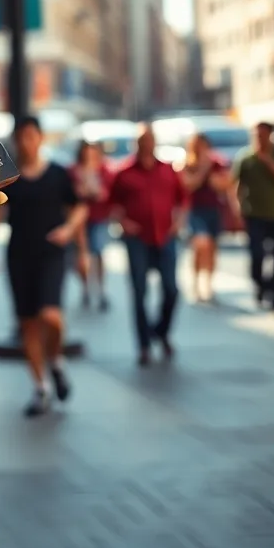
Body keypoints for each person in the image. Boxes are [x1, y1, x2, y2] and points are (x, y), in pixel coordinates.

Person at [0, 116, 86, 417]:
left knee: (51, 316)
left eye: (32, 136)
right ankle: (40, 387)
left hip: (52, 253)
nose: (27, 142)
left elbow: (79, 207)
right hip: (19, 254)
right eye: (22, 137)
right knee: (28, 322)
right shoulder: (9, 178)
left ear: (41, 138)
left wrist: (71, 234)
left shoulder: (58, 174)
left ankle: (55, 361)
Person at [109, 124, 188, 366]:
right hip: (137, 240)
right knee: (140, 292)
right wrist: (123, 222)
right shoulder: (124, 172)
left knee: (172, 290)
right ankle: (143, 345)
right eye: (142, 140)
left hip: (165, 236)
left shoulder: (167, 170)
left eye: (150, 140)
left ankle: (161, 331)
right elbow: (112, 204)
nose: (146, 145)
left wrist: (178, 222)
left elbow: (183, 199)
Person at [232, 121, 274, 318]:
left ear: (270, 136)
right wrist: (237, 211)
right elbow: (235, 185)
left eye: (262, 135)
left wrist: (268, 161)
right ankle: (261, 285)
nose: (258, 139)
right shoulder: (246, 159)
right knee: (256, 255)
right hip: (254, 215)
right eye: (256, 135)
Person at [180, 133, 232, 303]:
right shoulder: (186, 164)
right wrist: (202, 169)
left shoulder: (216, 163)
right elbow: (188, 185)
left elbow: (224, 185)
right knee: (201, 243)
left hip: (214, 209)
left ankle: (208, 285)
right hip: (195, 210)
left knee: (212, 248)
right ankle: (195, 283)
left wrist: (210, 171)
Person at [71, 141, 114, 311]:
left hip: (99, 217)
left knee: (98, 253)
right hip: (79, 220)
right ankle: (86, 289)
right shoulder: (74, 171)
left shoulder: (104, 170)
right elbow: (75, 193)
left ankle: (101, 290)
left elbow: (104, 193)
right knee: (82, 255)